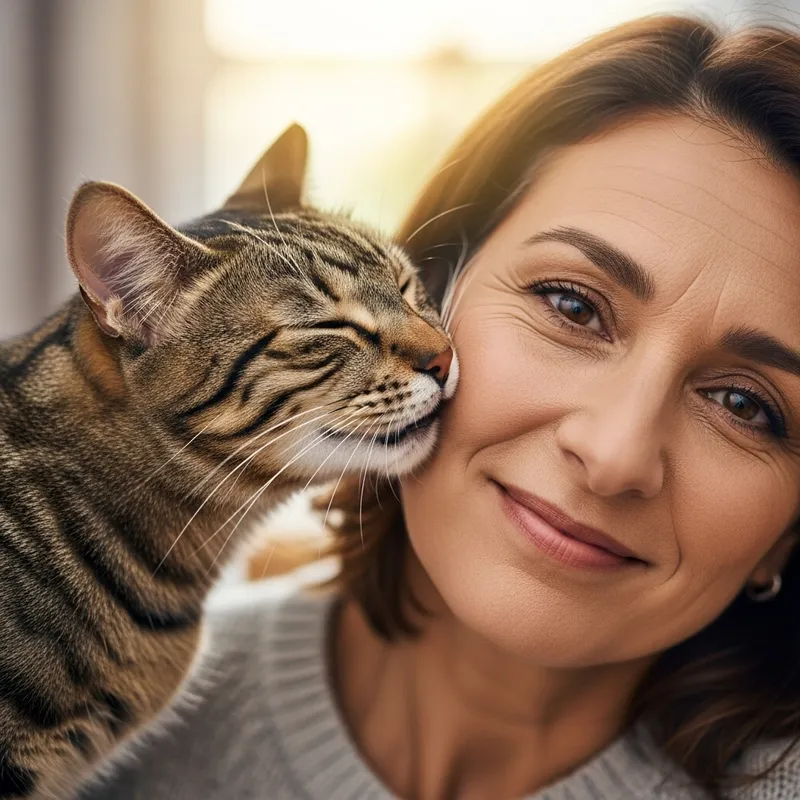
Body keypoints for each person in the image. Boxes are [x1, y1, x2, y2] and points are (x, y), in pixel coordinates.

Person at [81, 14, 800, 800]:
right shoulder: (98, 736)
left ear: (786, 532)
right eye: (572, 305)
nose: (614, 452)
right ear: (432, 288)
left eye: (744, 404)